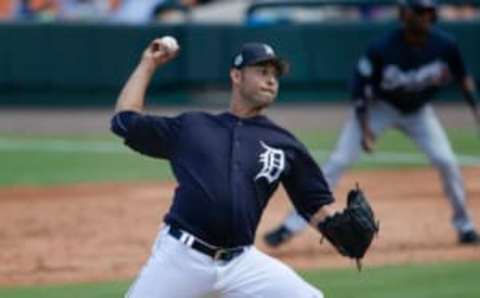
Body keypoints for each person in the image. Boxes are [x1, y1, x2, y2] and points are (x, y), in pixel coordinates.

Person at [110, 37, 375, 297]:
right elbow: (124, 121)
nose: (271, 80)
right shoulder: (192, 127)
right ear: (236, 76)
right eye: (262, 72)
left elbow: (313, 204)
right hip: (182, 257)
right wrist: (148, 64)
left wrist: (339, 232)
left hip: (242, 263)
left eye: (275, 75)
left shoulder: (284, 144)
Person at [264, 0, 480, 248]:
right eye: (419, 11)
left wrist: (475, 108)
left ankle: (465, 227)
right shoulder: (383, 48)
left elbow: (463, 78)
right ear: (404, 14)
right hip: (379, 108)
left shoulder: (445, 45)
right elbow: (360, 91)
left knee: (446, 161)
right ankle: (289, 227)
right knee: (340, 160)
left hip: (419, 112)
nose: (424, 16)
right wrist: (365, 129)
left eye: (428, 11)